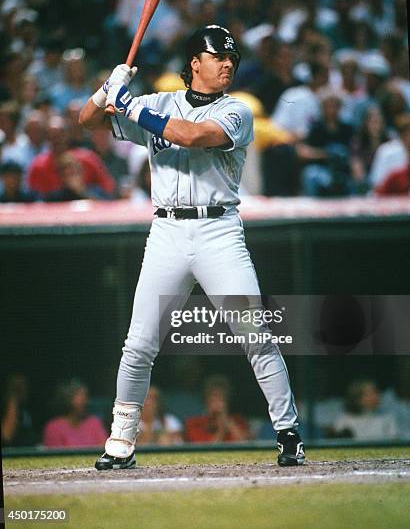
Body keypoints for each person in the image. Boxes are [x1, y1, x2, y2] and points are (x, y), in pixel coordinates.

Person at [79, 24, 305, 470]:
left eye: (231, 59)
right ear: (194, 63)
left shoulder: (236, 111)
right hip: (165, 231)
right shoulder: (157, 103)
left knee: (254, 334)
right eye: (217, 56)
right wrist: (107, 88)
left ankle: (288, 432)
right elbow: (86, 121)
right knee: (139, 343)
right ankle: (120, 441)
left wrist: (127, 107)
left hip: (219, 231)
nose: (226, 64)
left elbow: (192, 136)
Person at [43, 379, 108, 448]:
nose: (85, 401)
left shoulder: (94, 423)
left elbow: (104, 450)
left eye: (85, 396)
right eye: (80, 396)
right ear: (67, 399)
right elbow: (56, 457)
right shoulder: (54, 427)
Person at [185, 375, 249, 443]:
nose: (218, 403)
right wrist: (221, 430)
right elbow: (205, 450)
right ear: (206, 400)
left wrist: (227, 420)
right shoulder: (193, 424)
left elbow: (246, 444)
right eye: (214, 398)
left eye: (222, 398)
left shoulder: (238, 420)